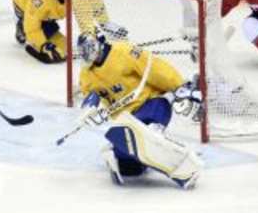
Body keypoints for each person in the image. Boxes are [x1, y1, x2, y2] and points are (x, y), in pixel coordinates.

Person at [77, 33, 203, 188]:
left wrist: (179, 86)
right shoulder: (86, 74)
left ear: (97, 46)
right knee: (130, 169)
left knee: (154, 121)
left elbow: (156, 69)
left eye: (88, 50)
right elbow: (90, 96)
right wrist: (89, 110)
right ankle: (120, 152)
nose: (86, 56)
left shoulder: (123, 52)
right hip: (127, 119)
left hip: (149, 103)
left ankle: (154, 136)